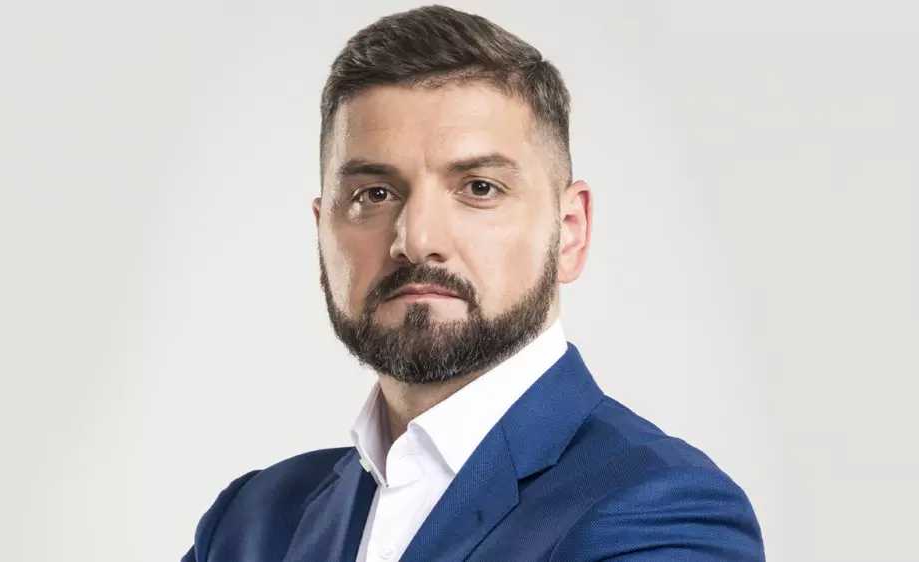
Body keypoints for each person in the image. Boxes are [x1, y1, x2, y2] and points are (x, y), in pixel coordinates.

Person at [182, 5, 764, 561]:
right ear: (321, 235)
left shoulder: (664, 511)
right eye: (374, 194)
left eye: (479, 188)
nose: (416, 239)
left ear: (570, 232)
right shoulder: (250, 522)